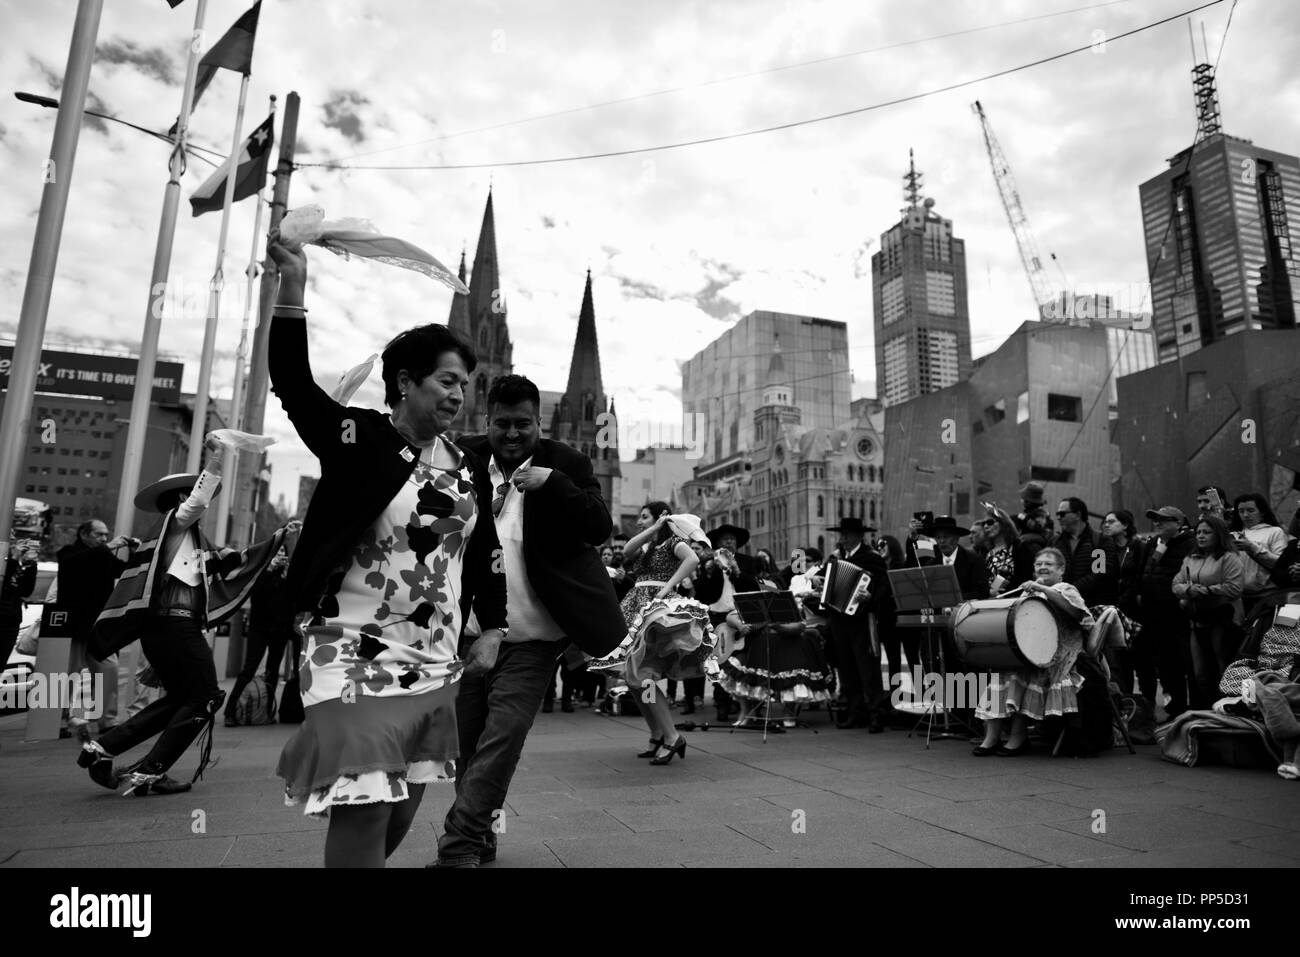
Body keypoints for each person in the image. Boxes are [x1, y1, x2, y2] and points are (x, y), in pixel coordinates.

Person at [265, 234, 506, 868]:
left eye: (465, 385)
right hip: (347, 645)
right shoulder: (359, 437)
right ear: (405, 382)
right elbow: (292, 383)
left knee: (398, 804)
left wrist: (494, 626)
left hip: (430, 655)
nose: (459, 395)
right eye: (447, 381)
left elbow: (482, 552)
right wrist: (292, 288)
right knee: (366, 799)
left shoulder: (469, 465)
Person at [436, 374, 625, 867]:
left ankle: (457, 848)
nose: (513, 434)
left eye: (524, 424)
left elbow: (599, 526)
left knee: (502, 739)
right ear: (487, 420)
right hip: (469, 633)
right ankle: (480, 834)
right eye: (503, 423)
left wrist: (556, 485)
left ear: (540, 422)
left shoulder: (567, 462)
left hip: (534, 638)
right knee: (466, 745)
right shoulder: (463, 457)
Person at [80, 437, 286, 796]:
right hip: (173, 625)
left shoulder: (192, 541)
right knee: (207, 696)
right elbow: (200, 503)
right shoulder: (173, 526)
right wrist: (217, 458)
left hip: (170, 627)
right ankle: (152, 770)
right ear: (180, 500)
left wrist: (278, 539)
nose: (198, 500)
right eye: (190, 494)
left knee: (181, 697)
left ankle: (103, 749)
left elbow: (233, 563)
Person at [591, 504, 715, 762]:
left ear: (661, 516)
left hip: (656, 608)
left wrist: (668, 586)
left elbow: (693, 559)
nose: (639, 521)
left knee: (640, 675)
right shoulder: (649, 546)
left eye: (644, 517)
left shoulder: (674, 542)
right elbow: (625, 550)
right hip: (635, 605)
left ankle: (672, 736)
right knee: (633, 677)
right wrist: (655, 527)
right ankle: (658, 733)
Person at [973, 547, 1094, 755]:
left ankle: (1018, 737)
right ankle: (992, 737)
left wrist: (1044, 589)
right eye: (1039, 564)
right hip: (1031, 651)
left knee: (1023, 672)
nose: (1042, 567)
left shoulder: (1066, 588)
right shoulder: (1032, 591)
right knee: (1002, 671)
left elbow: (1075, 613)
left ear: (1061, 569)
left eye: (1048, 564)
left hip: (1058, 655)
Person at [57, 520, 139, 737]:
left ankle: (106, 720)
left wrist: (133, 553)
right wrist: (109, 547)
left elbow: (123, 572)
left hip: (99, 625)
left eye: (106, 534)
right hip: (74, 625)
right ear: (84, 534)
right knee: (68, 674)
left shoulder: (103, 555)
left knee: (108, 671)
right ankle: (61, 720)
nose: (103, 538)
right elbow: (72, 564)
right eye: (99, 534)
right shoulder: (70, 552)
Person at [821, 516, 892, 732]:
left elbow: (883, 587)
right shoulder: (835, 558)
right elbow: (828, 583)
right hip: (839, 619)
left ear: (858, 536)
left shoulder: (871, 558)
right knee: (846, 667)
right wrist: (819, 582)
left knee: (867, 666)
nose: (842, 538)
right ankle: (855, 712)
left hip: (862, 620)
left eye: (846, 534)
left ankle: (876, 714)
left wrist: (870, 597)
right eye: (841, 534)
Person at [223, 530, 302, 727]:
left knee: (272, 671)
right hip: (259, 628)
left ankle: (266, 712)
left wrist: (287, 576)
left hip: (280, 630)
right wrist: (268, 570)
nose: (280, 556)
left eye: (283, 552)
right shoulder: (259, 573)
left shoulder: (287, 575)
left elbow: (292, 600)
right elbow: (255, 595)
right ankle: (230, 711)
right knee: (249, 668)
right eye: (277, 552)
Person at [1172, 515, 1245, 711]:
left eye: (1207, 532)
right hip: (1197, 620)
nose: (1201, 536)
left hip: (1223, 619)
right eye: (1198, 532)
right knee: (1201, 673)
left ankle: (1228, 711)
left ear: (1218, 534)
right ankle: (1208, 711)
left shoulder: (1229, 557)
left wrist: (1207, 590)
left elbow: (1235, 588)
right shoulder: (1191, 558)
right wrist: (1189, 591)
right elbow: (1176, 584)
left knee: (1224, 669)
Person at [1132, 506, 1196, 720]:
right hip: (1152, 614)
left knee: (1182, 662)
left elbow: (1187, 575)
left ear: (1178, 523)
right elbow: (1142, 572)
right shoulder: (1151, 543)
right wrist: (1140, 592)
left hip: (1176, 614)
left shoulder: (1190, 544)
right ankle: (1169, 707)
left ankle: (1188, 708)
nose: (1157, 524)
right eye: (1155, 520)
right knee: (1163, 663)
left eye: (1163, 520)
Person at [692, 535, 757, 722]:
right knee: (718, 660)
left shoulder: (746, 561)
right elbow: (703, 594)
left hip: (740, 615)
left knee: (740, 660)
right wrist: (709, 573)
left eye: (731, 539)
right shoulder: (709, 563)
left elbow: (753, 585)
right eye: (724, 539)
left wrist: (736, 572)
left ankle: (741, 702)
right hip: (717, 616)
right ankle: (722, 704)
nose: (728, 541)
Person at [1101, 509, 1144, 694]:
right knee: (1117, 658)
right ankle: (1124, 698)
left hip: (1133, 609)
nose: (1106, 524)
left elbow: (1141, 576)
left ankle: (1145, 702)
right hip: (1111, 608)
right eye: (1105, 521)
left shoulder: (1138, 546)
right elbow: (1098, 576)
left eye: (1111, 521)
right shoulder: (1100, 547)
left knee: (1141, 658)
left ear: (1125, 525)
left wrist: (1126, 598)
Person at [1229, 493, 1287, 618]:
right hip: (1239, 596)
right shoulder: (1234, 534)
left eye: (1250, 510)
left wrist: (1251, 547)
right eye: (1241, 511)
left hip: (1267, 596)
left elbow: (1280, 564)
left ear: (1262, 512)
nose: (1245, 515)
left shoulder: (1274, 532)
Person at [1052, 497, 1118, 607]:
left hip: (1092, 606)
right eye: (1057, 514)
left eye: (1062, 514)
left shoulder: (1100, 541)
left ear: (1078, 515)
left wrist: (1072, 589)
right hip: (1061, 606)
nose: (1058, 518)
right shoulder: (1054, 542)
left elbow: (1100, 573)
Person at [0, 537, 39, 683]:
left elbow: (25, 591)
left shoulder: (14, 563)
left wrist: (30, 564)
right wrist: (14, 559)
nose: (13, 539)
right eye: (7, 534)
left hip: (10, 619)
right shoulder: (9, 562)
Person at [979, 505, 1038, 597]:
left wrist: (1003, 593)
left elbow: (1026, 577)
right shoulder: (984, 551)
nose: (986, 526)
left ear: (1003, 523)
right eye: (984, 524)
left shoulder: (1020, 548)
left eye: (990, 522)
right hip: (988, 601)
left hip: (1014, 600)